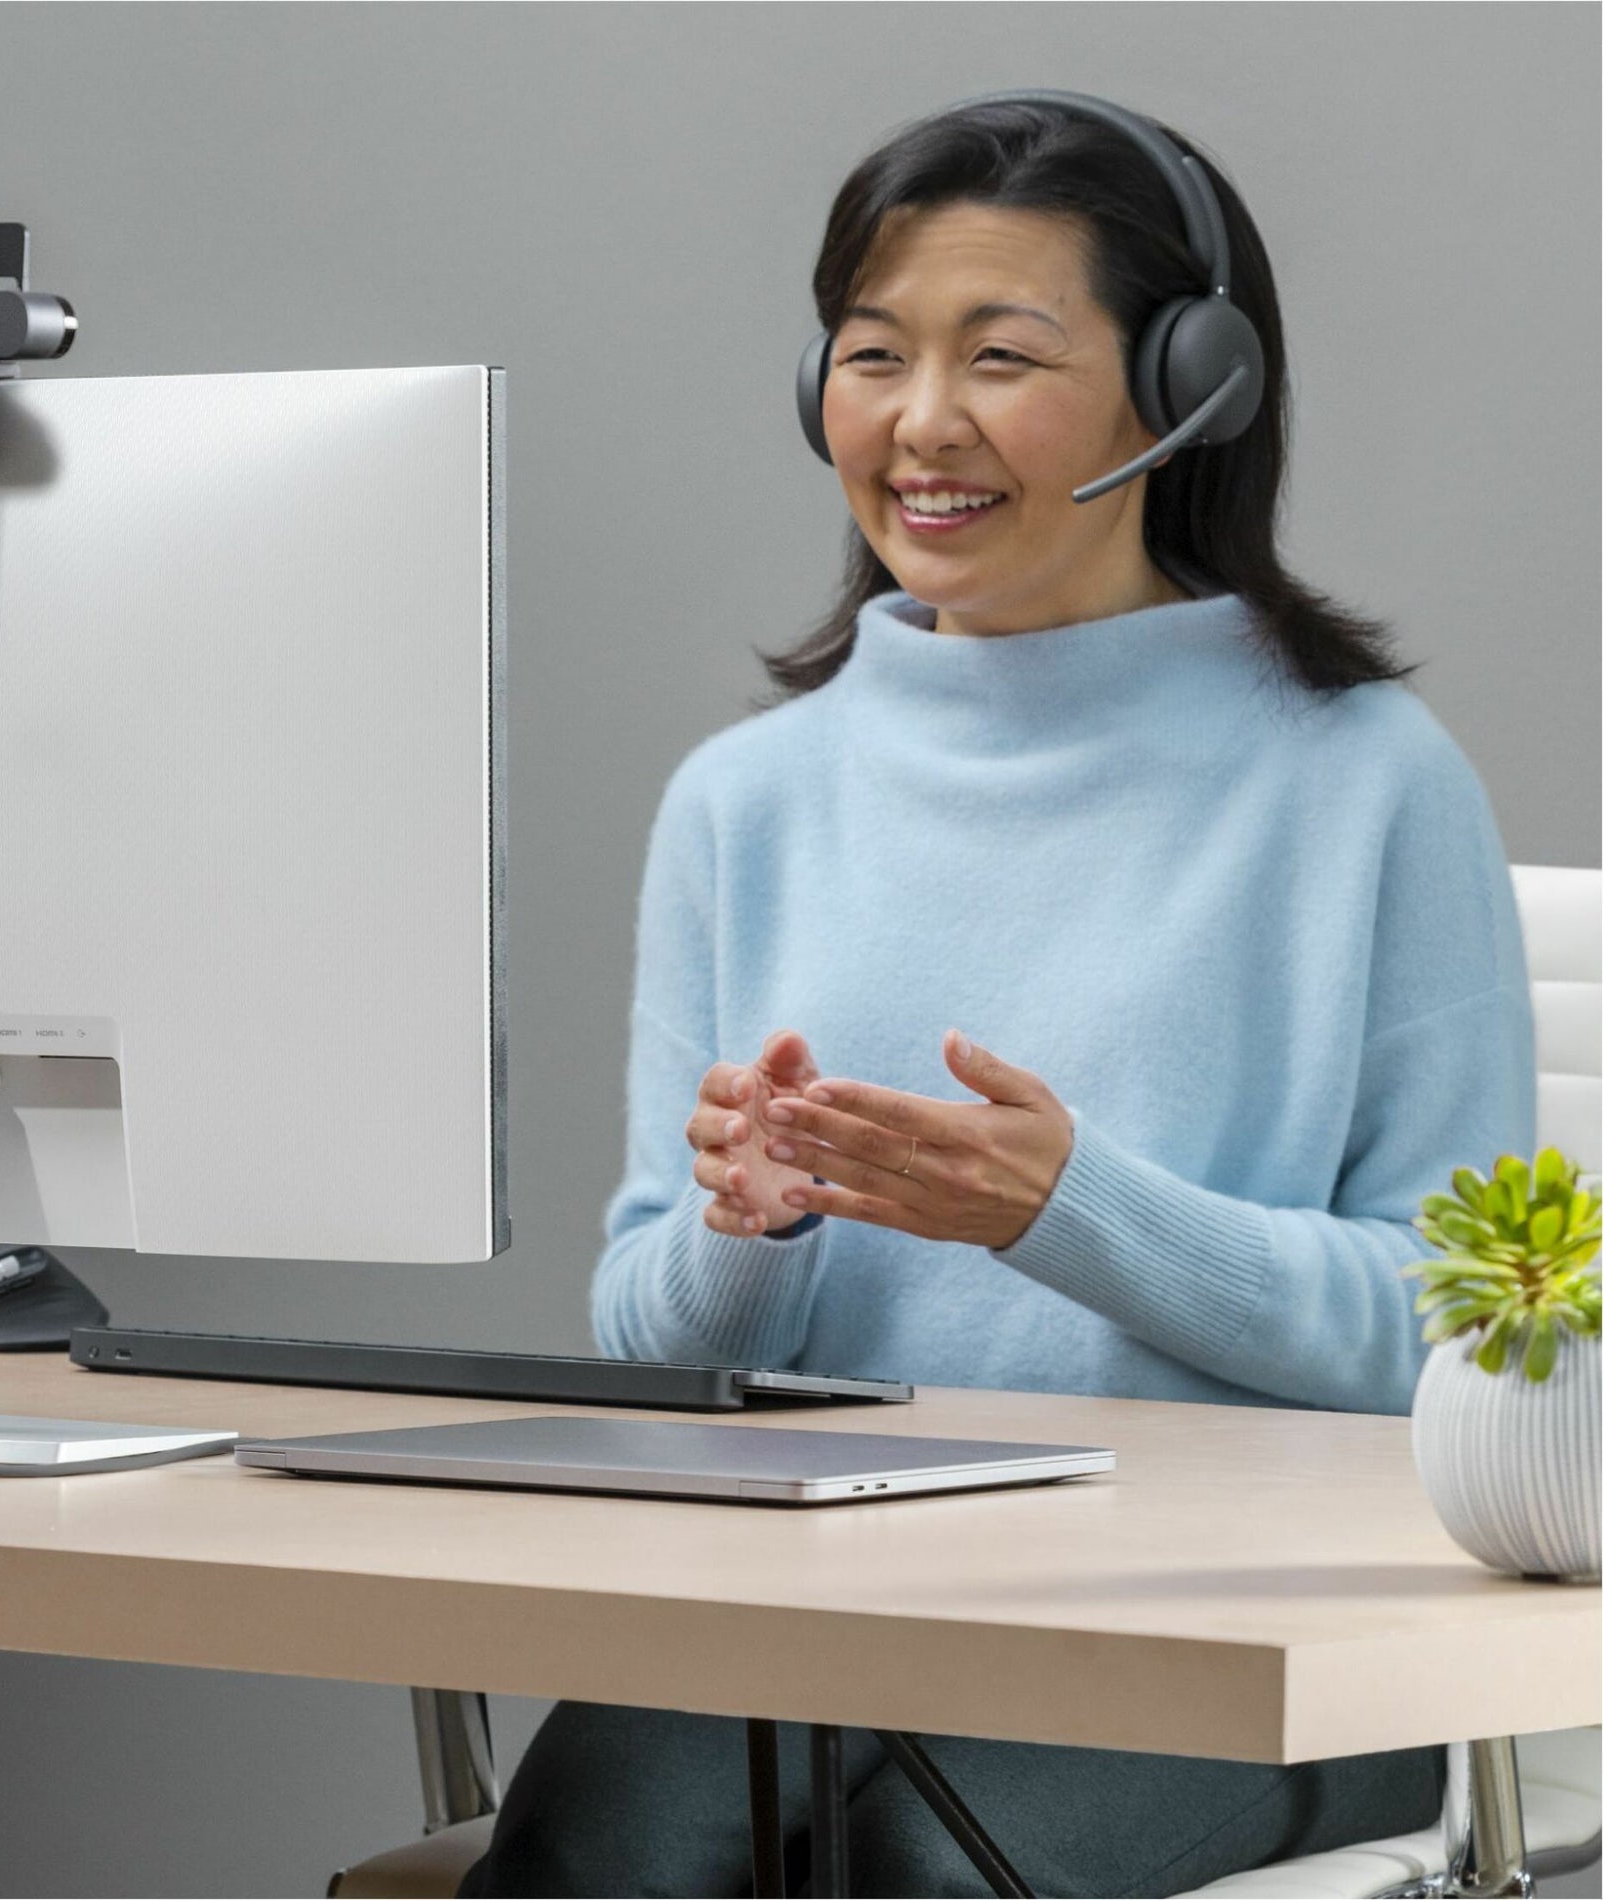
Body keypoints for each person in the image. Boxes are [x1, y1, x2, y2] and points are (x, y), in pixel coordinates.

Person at [462, 93, 1535, 1898]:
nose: (921, 422)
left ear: (1189, 387)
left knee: (921, 1874)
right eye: (874, 355)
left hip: (1262, 1645)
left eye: (1002, 356)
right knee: (602, 1858)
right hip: (822, 1605)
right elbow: (651, 1337)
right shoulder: (750, 799)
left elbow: (1467, 1338)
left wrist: (1068, 1210)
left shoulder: (1365, 781)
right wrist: (749, 1224)